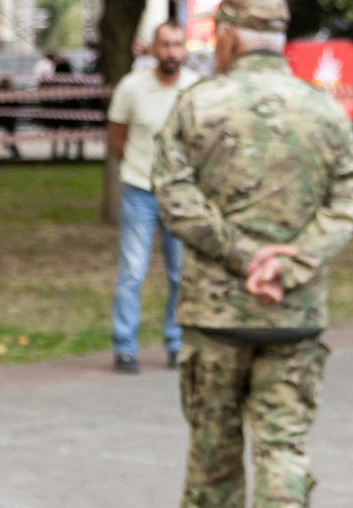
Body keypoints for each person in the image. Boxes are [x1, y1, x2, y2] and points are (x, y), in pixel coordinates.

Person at [151, 0, 353, 508]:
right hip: (294, 314)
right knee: (284, 444)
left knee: (213, 442)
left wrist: (243, 254)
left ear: (226, 37)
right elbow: (350, 199)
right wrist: (291, 263)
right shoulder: (324, 110)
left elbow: (173, 193)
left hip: (217, 312)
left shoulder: (198, 104)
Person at [105, 20, 192, 374]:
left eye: (177, 45)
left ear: (184, 49)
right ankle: (125, 346)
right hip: (140, 192)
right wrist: (140, 171)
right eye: (165, 45)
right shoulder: (131, 87)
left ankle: (176, 343)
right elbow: (116, 139)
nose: (171, 52)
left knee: (181, 274)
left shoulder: (194, 89)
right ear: (153, 49)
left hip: (181, 193)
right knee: (132, 272)